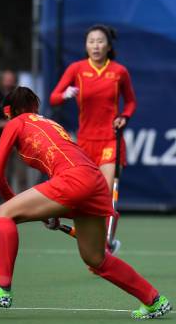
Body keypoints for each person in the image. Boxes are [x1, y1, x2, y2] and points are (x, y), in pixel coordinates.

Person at [0, 87, 171, 320]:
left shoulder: (16, 122)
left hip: (73, 180)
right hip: (93, 181)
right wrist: (50, 211)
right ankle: (153, 299)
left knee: (3, 213)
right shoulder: (52, 124)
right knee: (96, 259)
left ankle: (1, 285)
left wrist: (13, 205)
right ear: (35, 107)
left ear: (9, 111)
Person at [50, 24, 136, 253]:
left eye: (100, 41)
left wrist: (124, 117)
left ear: (108, 46)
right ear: (85, 45)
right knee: (83, 195)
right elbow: (53, 97)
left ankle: (107, 245)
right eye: (91, 41)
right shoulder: (77, 69)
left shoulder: (119, 72)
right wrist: (65, 94)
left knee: (105, 193)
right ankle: (97, 245)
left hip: (110, 139)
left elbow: (130, 102)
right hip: (84, 143)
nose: (95, 46)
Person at [0, 70, 27, 191]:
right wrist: (4, 124)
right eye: (6, 79)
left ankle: (23, 205)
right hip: (1, 140)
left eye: (11, 79)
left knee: (21, 175)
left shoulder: (20, 98)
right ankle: (5, 205)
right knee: (2, 175)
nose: (9, 82)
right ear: (2, 81)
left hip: (18, 143)